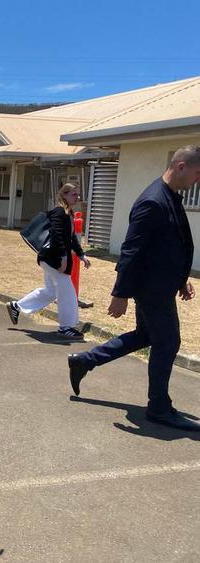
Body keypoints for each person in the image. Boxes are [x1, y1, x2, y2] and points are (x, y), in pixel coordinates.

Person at [68, 145, 199, 431]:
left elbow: (167, 246)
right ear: (181, 167)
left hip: (161, 285)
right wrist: (120, 293)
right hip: (151, 288)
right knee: (167, 343)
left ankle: (85, 360)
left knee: (145, 336)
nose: (197, 181)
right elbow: (132, 249)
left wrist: (180, 279)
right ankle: (159, 408)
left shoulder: (171, 197)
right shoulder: (153, 200)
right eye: (197, 173)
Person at [5, 183, 91, 339]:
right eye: (73, 194)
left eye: (77, 194)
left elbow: (71, 238)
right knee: (68, 293)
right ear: (63, 195)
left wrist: (81, 255)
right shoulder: (59, 212)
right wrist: (63, 258)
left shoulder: (68, 213)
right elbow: (57, 235)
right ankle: (66, 327)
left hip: (50, 259)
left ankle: (16, 306)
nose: (77, 197)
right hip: (54, 260)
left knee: (51, 291)